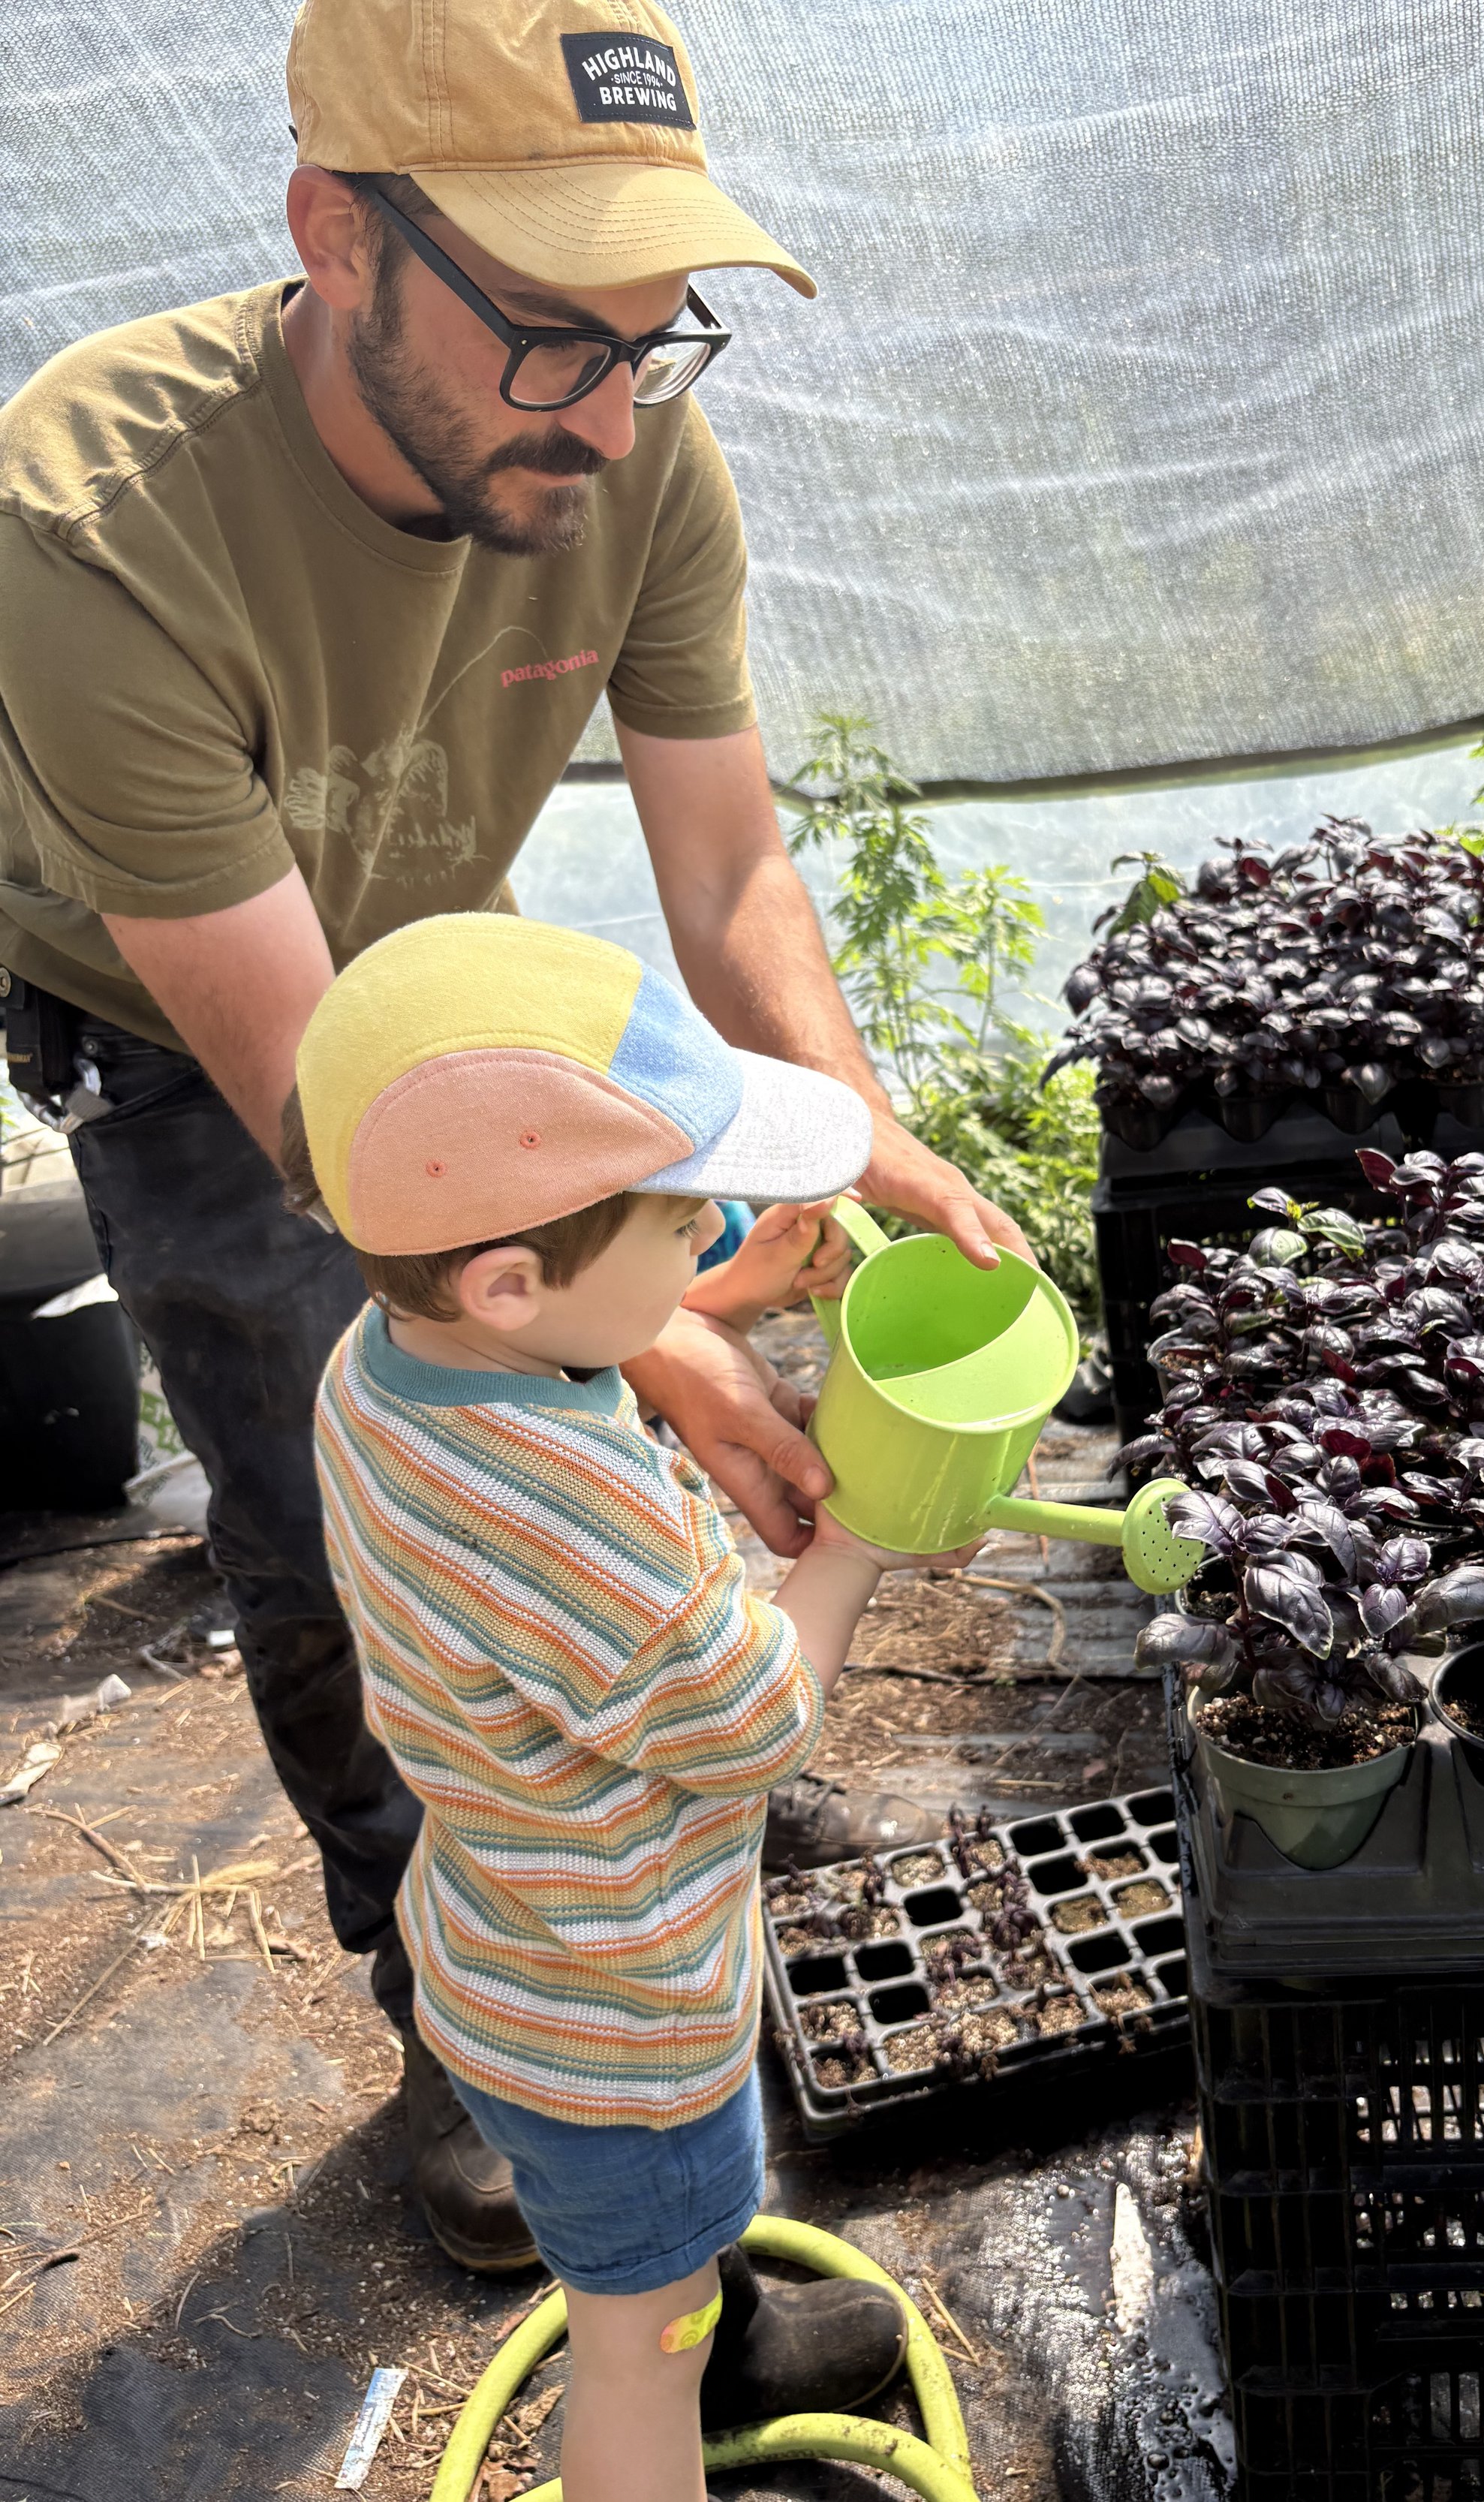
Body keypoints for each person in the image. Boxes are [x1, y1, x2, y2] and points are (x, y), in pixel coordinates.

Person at [0, 0, 1023, 2266]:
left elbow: (732, 868)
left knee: (581, 1360)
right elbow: (324, 1118)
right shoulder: (87, 516)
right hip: (196, 1026)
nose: (607, 405)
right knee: (328, 1472)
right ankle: (457, 2010)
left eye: (655, 336)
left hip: (440, 970)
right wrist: (651, 1340)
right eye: (550, 336)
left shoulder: (632, 457)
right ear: (331, 240)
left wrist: (855, 1132)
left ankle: (647, 1783)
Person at [294, 912, 980, 2491]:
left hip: (507, 1931)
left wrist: (712, 1292)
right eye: (686, 1224)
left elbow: (574, 1350)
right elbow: (751, 1720)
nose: (708, 1241)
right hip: (622, 2019)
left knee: (651, 2286)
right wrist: (866, 1533)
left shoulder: (392, 1361)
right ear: (514, 1275)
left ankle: (694, 2306)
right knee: (637, 2357)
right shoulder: (557, 1504)